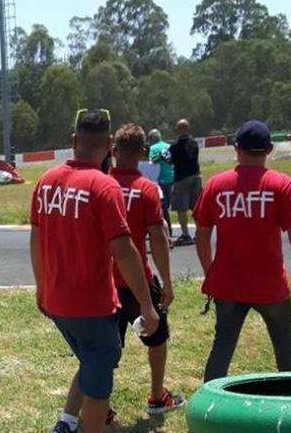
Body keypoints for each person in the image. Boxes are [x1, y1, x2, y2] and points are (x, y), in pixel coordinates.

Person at [30, 110, 159, 433]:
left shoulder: (45, 181)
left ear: (74, 141)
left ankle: (66, 422)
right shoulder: (104, 186)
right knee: (100, 379)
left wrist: (41, 287)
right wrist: (146, 304)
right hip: (91, 304)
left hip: (57, 301)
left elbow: (35, 239)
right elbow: (125, 252)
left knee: (93, 362)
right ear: (107, 145)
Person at [194, 120, 291, 382]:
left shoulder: (216, 185)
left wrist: (211, 273)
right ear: (270, 149)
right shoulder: (281, 185)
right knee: (284, 343)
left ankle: (208, 408)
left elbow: (202, 234)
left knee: (223, 345)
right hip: (270, 284)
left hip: (228, 284)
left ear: (237, 148)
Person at [109, 124, 185, 418]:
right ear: (143, 153)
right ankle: (156, 395)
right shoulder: (145, 189)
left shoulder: (99, 185)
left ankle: (101, 405)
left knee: (105, 348)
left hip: (104, 282)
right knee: (157, 337)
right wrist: (167, 282)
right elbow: (158, 238)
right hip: (137, 279)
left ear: (115, 151)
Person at [169, 119, 201, 246]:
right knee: (197, 206)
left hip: (182, 178)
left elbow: (171, 161)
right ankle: (200, 232)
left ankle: (186, 234)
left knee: (181, 208)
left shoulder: (175, 146)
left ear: (178, 130)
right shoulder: (194, 143)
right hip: (196, 175)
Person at [148, 129, 175, 237]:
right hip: (172, 177)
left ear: (151, 139)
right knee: (168, 206)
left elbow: (150, 162)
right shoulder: (169, 146)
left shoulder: (152, 148)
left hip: (160, 179)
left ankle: (167, 230)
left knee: (163, 208)